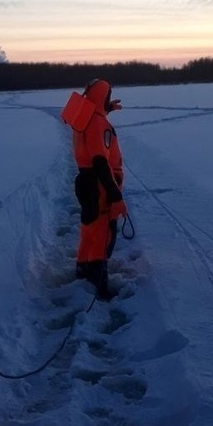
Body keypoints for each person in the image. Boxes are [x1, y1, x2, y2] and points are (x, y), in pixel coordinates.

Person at [70, 79, 126, 299]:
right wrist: (115, 195)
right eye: (108, 95)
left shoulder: (86, 118)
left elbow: (93, 132)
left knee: (89, 230)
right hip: (98, 185)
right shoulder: (96, 123)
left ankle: (83, 272)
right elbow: (100, 162)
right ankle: (99, 287)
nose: (109, 98)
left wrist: (107, 109)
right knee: (102, 233)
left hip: (87, 181)